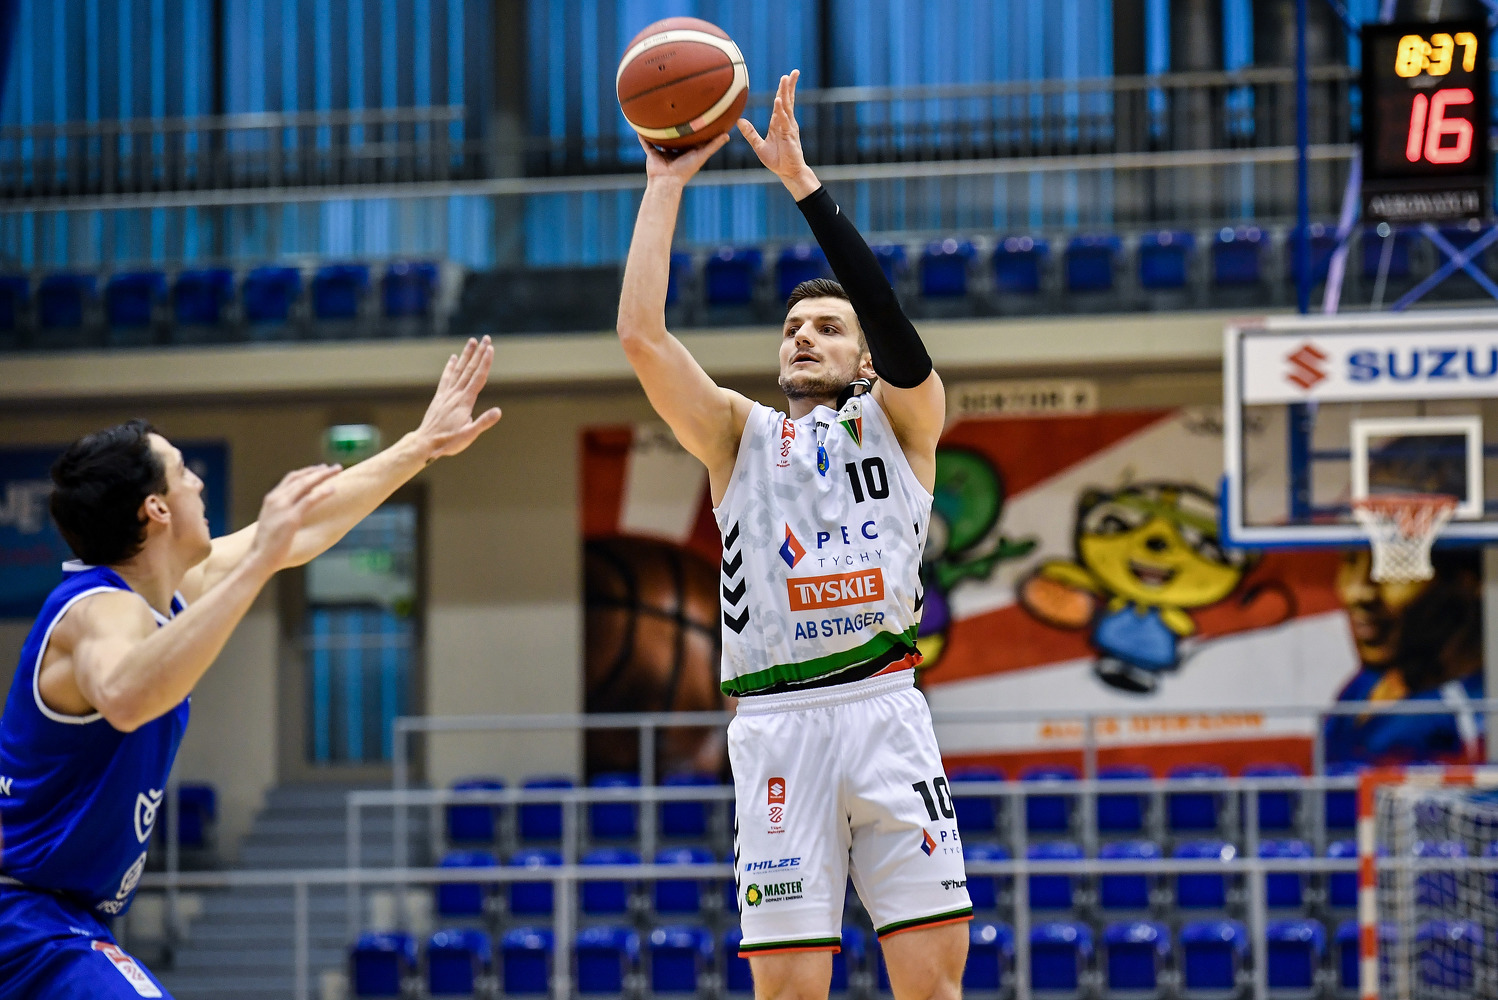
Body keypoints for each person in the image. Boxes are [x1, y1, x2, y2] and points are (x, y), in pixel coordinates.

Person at [0, 337, 502, 999]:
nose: (198, 482)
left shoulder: (164, 594)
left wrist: (421, 444)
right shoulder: (98, 610)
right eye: (183, 472)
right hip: (24, 919)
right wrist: (261, 561)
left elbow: (303, 530)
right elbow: (123, 693)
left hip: (58, 919)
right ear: (155, 508)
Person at [617, 71, 969, 1000]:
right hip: (775, 727)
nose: (803, 338)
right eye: (792, 328)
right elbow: (642, 338)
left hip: (886, 711)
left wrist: (804, 188)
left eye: (826, 328)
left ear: (862, 359)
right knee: (787, 993)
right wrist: (664, 184)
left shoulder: (904, 422)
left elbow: (892, 320)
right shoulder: (738, 435)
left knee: (934, 988)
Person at [1323, 546, 1484, 764]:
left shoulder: (1472, 711)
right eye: (1351, 562)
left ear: (1465, 583)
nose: (1357, 591)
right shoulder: (1362, 686)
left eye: (1395, 567)